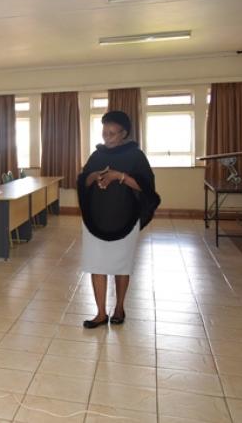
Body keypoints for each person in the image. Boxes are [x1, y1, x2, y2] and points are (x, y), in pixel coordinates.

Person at [77, 111, 160, 329]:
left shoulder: (135, 155)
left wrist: (119, 176)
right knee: (97, 265)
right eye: (105, 132)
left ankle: (119, 308)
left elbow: (146, 187)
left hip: (125, 219)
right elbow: (83, 180)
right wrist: (94, 177)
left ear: (124, 134)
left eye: (112, 133)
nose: (107, 137)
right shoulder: (97, 155)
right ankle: (100, 313)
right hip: (95, 220)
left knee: (121, 266)